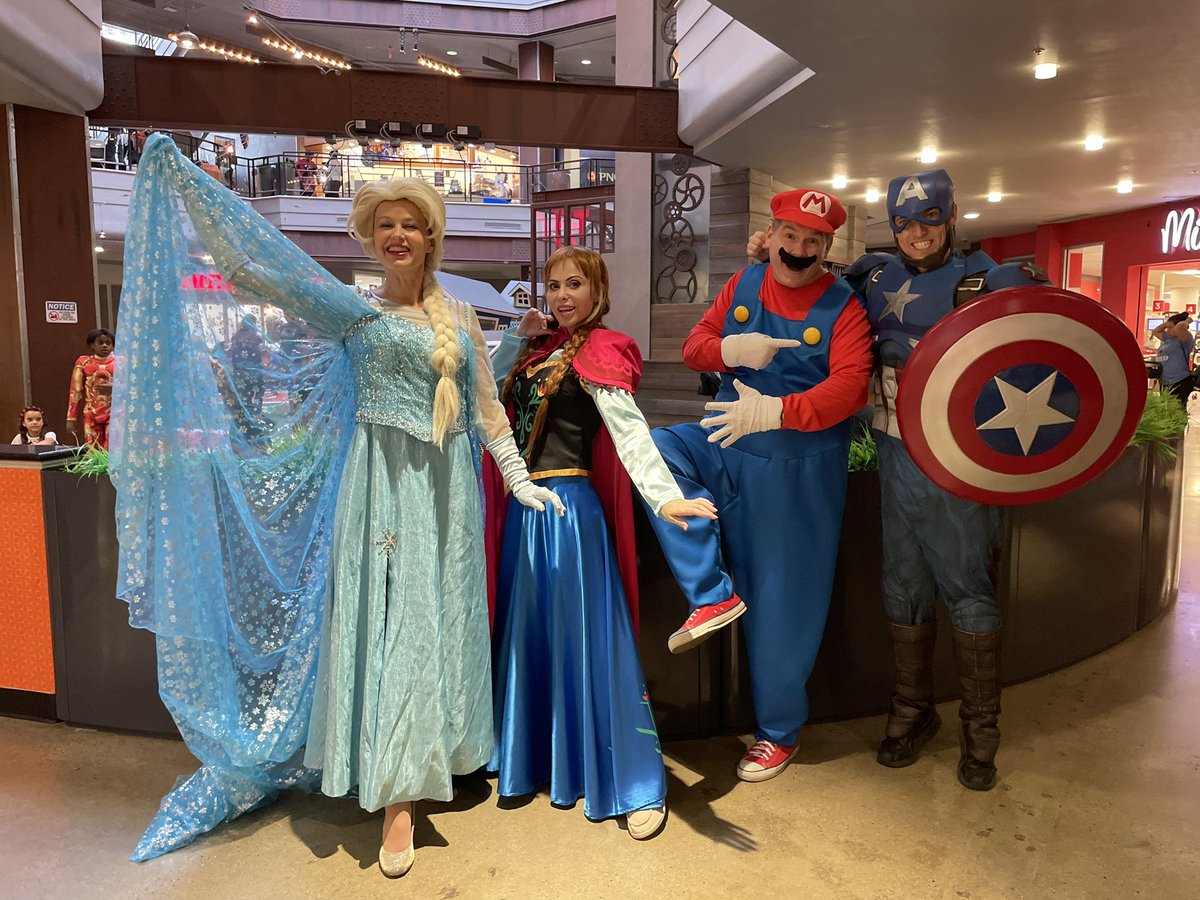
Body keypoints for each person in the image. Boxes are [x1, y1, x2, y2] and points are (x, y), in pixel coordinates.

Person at [108, 133, 562, 873]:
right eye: (386, 224)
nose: (397, 234)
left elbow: (487, 411)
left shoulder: (462, 320)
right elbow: (252, 265)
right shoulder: (351, 313)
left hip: (445, 499)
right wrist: (185, 181)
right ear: (372, 238)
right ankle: (398, 801)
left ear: (430, 237)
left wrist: (518, 480)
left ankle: (427, 763)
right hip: (379, 495)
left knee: (433, 628)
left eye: (410, 223)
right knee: (393, 633)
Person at [750, 169, 1049, 791]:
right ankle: (911, 713)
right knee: (902, 586)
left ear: (951, 215)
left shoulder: (986, 279)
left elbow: (1045, 340)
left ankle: (980, 727)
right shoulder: (874, 275)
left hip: (957, 462)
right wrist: (761, 250)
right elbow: (805, 280)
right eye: (904, 223)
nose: (917, 233)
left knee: (966, 587)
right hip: (892, 452)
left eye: (929, 220)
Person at [487, 246, 717, 840]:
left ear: (598, 293)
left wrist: (665, 498)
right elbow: (482, 401)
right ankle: (531, 760)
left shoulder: (604, 349)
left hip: (570, 515)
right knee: (528, 638)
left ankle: (632, 779)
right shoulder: (536, 352)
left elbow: (630, 432)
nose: (563, 295)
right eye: (554, 284)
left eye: (575, 285)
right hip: (524, 515)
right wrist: (518, 338)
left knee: (592, 642)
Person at [650, 189, 873, 783]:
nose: (799, 250)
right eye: (790, 236)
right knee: (653, 453)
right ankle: (710, 590)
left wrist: (779, 412)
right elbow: (694, 346)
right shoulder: (742, 284)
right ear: (770, 234)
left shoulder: (844, 308)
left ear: (827, 248)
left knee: (782, 603)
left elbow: (851, 388)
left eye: (813, 242)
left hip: (794, 473)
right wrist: (726, 347)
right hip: (724, 442)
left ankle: (778, 733)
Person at [66, 328, 115, 449]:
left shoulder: (121, 363)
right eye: (100, 343)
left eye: (108, 343)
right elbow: (75, 391)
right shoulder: (84, 363)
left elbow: (132, 388)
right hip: (91, 412)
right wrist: (71, 417)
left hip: (114, 413)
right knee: (93, 449)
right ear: (92, 345)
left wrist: (114, 388)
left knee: (112, 447)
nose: (105, 346)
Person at [1152, 312, 1195, 404]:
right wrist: (1168, 323)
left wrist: (1187, 321)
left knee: (1177, 412)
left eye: (1171, 328)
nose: (1167, 330)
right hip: (1165, 383)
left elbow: (1180, 327)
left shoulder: (1184, 338)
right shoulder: (1167, 338)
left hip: (1180, 381)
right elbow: (1155, 331)